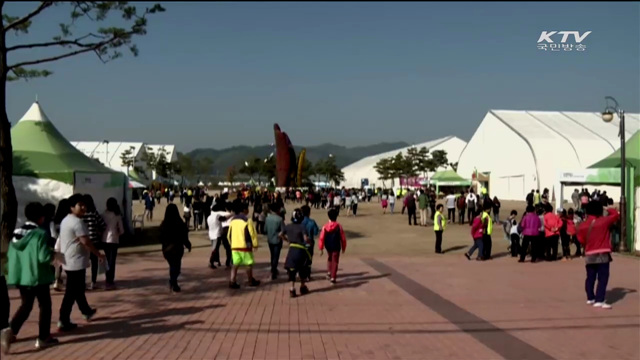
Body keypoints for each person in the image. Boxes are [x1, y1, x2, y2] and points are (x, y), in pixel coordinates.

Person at [1, 203, 59, 354]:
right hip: (38, 276)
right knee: (45, 306)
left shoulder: (16, 232)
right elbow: (43, 257)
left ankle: (10, 330)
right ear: (41, 218)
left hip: (21, 276)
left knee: (26, 305)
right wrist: (52, 254)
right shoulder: (40, 234)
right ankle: (43, 337)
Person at [58, 194, 104, 332]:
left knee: (77, 289)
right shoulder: (77, 222)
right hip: (75, 261)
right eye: (80, 205)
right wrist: (98, 254)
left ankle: (86, 310)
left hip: (70, 259)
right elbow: (86, 241)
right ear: (72, 207)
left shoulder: (66, 220)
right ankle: (63, 319)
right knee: (71, 292)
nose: (83, 208)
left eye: (84, 205)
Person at [577, 200, 619, 309]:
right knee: (603, 277)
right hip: (602, 253)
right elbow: (615, 214)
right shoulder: (603, 221)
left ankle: (590, 297)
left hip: (589, 253)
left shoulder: (583, 225)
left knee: (590, 277)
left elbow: (581, 239)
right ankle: (599, 300)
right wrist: (606, 208)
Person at [227, 202, 261, 289]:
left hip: (234, 246)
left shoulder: (233, 220)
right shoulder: (247, 220)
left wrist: (231, 243)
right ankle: (250, 280)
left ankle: (232, 280)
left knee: (235, 264)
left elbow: (229, 234)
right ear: (244, 210)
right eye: (247, 208)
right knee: (248, 264)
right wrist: (255, 244)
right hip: (245, 246)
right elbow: (252, 233)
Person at [160, 204, 192, 293]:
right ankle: (173, 282)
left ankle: (173, 282)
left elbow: (160, 238)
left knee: (172, 266)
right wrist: (188, 245)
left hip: (167, 249)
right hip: (177, 248)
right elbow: (184, 236)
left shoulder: (164, 224)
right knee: (176, 267)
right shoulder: (180, 223)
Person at [281, 209, 311, 298]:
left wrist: (288, 240)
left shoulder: (288, 226)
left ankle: (292, 289)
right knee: (303, 268)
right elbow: (305, 239)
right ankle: (302, 286)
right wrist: (309, 241)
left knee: (292, 270)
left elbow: (280, 235)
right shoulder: (302, 227)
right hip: (301, 250)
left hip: (292, 250)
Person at [81, 195, 106, 291]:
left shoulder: (81, 214)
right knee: (94, 262)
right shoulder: (94, 213)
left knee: (83, 263)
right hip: (94, 241)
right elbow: (103, 224)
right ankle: (93, 282)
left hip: (83, 241)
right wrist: (98, 232)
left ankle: (83, 282)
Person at [318, 208, 347, 284]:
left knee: (330, 258)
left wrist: (321, 248)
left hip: (328, 246)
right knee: (335, 261)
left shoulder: (325, 226)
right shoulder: (339, 226)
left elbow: (321, 237)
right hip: (336, 246)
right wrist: (343, 247)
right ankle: (333, 277)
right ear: (336, 216)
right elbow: (343, 238)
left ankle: (329, 272)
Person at [101, 198, 124, 290]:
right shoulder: (117, 215)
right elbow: (121, 230)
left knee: (107, 259)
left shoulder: (103, 214)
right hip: (114, 239)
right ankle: (110, 279)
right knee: (112, 260)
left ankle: (107, 277)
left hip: (104, 239)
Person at [207, 202, 233, 269]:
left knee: (215, 248)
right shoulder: (217, 215)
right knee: (220, 248)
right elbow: (223, 218)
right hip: (218, 234)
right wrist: (231, 214)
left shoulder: (209, 217)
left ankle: (216, 261)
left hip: (211, 234)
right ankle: (212, 261)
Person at [52, 199, 70, 292]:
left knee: (58, 263)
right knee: (67, 263)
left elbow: (54, 233)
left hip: (58, 242)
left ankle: (57, 281)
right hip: (67, 242)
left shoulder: (56, 219)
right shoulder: (68, 219)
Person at [264, 203, 285, 280]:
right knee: (276, 256)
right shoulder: (280, 219)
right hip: (277, 240)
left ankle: (273, 268)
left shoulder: (267, 218)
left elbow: (265, 230)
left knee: (272, 255)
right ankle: (274, 270)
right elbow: (283, 230)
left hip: (270, 239)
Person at [301, 205, 320, 282]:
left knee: (301, 259)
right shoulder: (312, 222)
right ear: (309, 212)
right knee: (309, 259)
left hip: (300, 243)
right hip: (310, 243)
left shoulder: (299, 222)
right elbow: (316, 233)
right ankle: (308, 275)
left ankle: (302, 275)